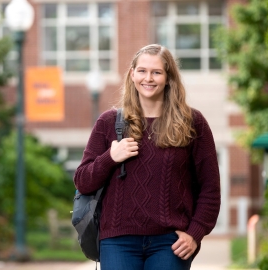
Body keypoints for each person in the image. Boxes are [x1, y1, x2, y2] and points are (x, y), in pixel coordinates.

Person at [73, 44, 221, 270]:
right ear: (132, 74)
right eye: (142, 71)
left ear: (168, 77)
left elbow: (210, 188)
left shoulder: (192, 122)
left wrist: (195, 233)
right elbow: (83, 181)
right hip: (117, 241)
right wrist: (111, 157)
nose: (148, 78)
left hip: (170, 243)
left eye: (156, 72)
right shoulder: (108, 122)